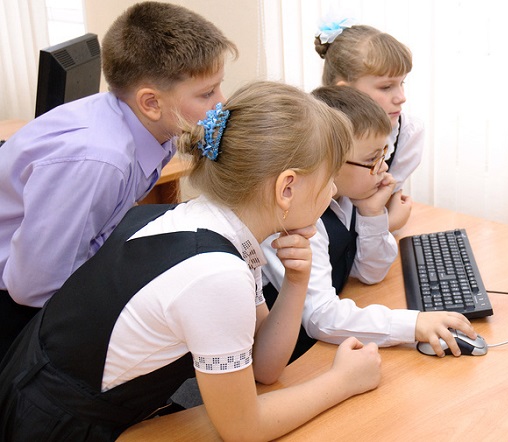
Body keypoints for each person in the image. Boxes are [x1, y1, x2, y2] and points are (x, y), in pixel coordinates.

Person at [0, 81, 382, 441]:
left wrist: (296, 283)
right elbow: (243, 429)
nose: (333, 190)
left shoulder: (217, 225)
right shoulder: (215, 273)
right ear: (287, 188)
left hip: (60, 397)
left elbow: (264, 367)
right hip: (54, 426)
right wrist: (342, 382)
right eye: (328, 179)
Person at [0, 1, 237, 359]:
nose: (222, 102)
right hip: (16, 307)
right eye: (207, 93)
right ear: (151, 103)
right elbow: (32, 287)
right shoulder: (100, 162)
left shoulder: (156, 129)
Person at [262, 85, 475, 362]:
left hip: (321, 343)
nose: (383, 168)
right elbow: (320, 316)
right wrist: (413, 325)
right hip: (291, 357)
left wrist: (372, 213)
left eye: (383, 155)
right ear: (330, 163)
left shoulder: (349, 198)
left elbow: (370, 272)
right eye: (372, 159)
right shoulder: (296, 220)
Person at [314, 20, 422, 231]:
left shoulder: (407, 133)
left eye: (402, 83)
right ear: (346, 91)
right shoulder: (313, 136)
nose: (401, 97)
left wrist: (382, 222)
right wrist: (389, 223)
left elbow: (380, 205)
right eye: (386, 87)